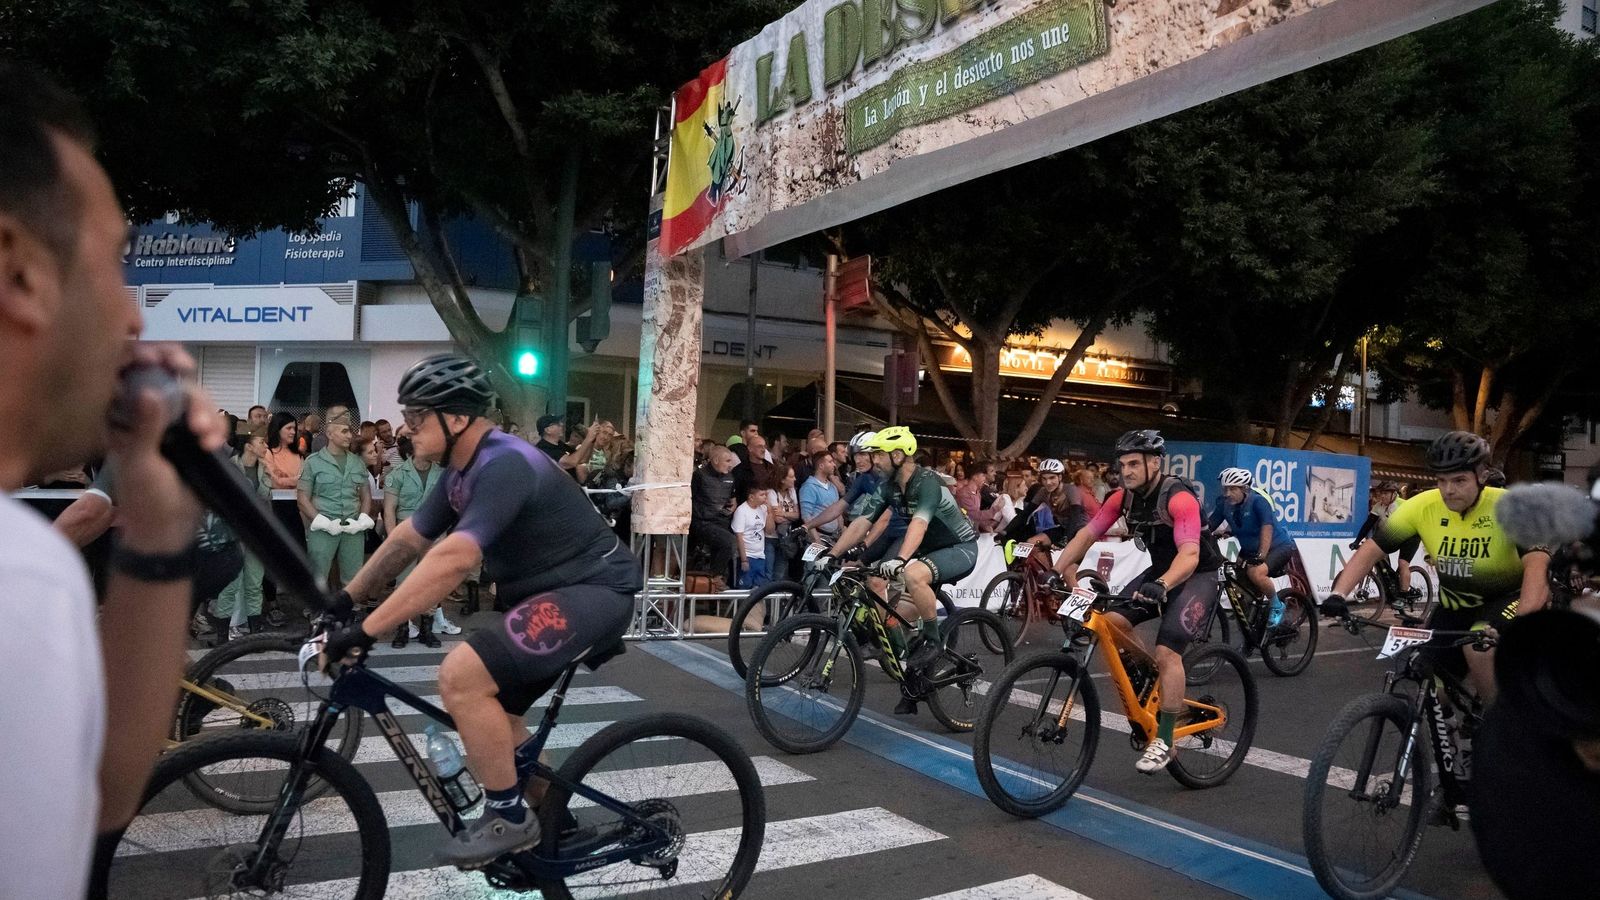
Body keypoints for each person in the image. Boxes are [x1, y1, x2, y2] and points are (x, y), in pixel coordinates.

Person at [0, 61, 229, 899]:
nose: (133, 316)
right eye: (116, 262)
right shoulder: (19, 571)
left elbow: (92, 801)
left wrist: (159, 530)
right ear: (19, 269)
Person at [319, 354, 639, 866]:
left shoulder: (504, 462)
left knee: (462, 678)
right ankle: (560, 825)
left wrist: (368, 629)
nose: (408, 428)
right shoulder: (458, 473)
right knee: (499, 718)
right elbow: (407, 539)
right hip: (545, 593)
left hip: (593, 588)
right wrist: (344, 599)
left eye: (418, 417)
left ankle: (508, 817)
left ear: (458, 418)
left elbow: (454, 558)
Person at [1320, 431, 1550, 701]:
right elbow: (1371, 550)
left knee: (1479, 647)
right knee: (1428, 679)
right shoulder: (1422, 505)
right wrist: (1338, 595)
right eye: (1441, 481)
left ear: (1483, 476)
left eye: (1459, 480)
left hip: (1506, 601)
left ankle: (1496, 727)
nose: (1448, 490)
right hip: (1453, 605)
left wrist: (1522, 621)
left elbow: (1538, 566)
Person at [1050, 430, 1223, 774]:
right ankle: (1151, 674)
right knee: (1111, 622)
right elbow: (1087, 534)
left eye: (1133, 464)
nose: (1125, 471)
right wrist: (1056, 570)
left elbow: (1189, 554)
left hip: (1196, 575)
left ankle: (1167, 740)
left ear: (1155, 463)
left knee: (1168, 652)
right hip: (1159, 572)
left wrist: (1162, 584)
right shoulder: (1123, 498)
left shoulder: (1178, 498)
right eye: (1122, 464)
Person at [813, 427, 979, 715]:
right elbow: (862, 521)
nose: (874, 461)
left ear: (899, 455)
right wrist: (833, 553)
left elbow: (920, 524)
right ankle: (915, 681)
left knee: (913, 574)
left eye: (878, 454)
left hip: (960, 548)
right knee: (891, 619)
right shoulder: (888, 486)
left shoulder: (927, 482)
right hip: (929, 552)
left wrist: (901, 558)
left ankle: (933, 640)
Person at [1208, 467, 1298, 629]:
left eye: (1232, 489)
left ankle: (1276, 605)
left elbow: (1266, 527)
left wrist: (1261, 555)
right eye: (1225, 489)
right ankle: (1253, 631)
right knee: (1240, 589)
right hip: (1249, 549)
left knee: (1256, 572)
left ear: (1245, 489)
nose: (1227, 493)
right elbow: (1209, 526)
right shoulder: (1224, 504)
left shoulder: (1258, 502)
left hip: (1278, 547)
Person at [383, 435, 450, 648]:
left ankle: (426, 630)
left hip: (434, 533)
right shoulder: (398, 474)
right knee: (404, 582)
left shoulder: (442, 474)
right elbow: (389, 509)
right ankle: (402, 627)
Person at [297, 407, 373, 593]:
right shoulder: (313, 462)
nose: (350, 436)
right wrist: (320, 520)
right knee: (318, 576)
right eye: (344, 431)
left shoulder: (357, 462)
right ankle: (316, 613)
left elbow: (366, 495)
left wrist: (362, 518)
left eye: (350, 431)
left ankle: (348, 612)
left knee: (353, 578)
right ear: (330, 433)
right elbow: (302, 498)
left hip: (352, 527)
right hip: (323, 527)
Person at [213, 428, 272, 640]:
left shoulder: (264, 469)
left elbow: (268, 503)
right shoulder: (229, 468)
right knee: (230, 585)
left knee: (254, 583)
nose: (266, 446)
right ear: (248, 445)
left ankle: (254, 633)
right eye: (261, 442)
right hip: (233, 533)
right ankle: (222, 635)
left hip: (257, 533)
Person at [690, 446, 739, 592]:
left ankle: (713, 582)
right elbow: (689, 498)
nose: (731, 464)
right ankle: (715, 577)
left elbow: (732, 499)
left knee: (725, 546)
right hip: (701, 522)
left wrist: (732, 506)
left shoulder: (730, 477)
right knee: (729, 542)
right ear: (716, 460)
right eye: (727, 460)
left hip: (720, 521)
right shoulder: (699, 475)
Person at [1367, 480, 1421, 602]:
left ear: (1393, 494)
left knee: (1403, 564)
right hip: (1393, 535)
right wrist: (1357, 540)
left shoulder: (1402, 504)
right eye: (1381, 494)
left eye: (1385, 494)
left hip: (1411, 536)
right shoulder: (1378, 506)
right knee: (1380, 559)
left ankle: (1404, 595)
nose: (1382, 496)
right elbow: (1368, 524)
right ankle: (1389, 591)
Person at [765, 464, 801, 580]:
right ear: (782, 479)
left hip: (785, 537)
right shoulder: (771, 492)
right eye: (791, 477)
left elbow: (797, 515)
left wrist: (784, 513)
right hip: (771, 536)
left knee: (781, 572)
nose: (795, 479)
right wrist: (789, 515)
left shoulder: (792, 491)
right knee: (769, 570)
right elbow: (776, 518)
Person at [799, 449, 843, 541]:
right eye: (830, 462)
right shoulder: (808, 487)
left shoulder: (833, 487)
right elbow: (806, 516)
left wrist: (841, 532)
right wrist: (817, 540)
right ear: (821, 466)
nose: (834, 465)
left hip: (834, 537)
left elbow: (838, 511)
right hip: (820, 537)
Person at [731, 487, 770, 590]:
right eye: (762, 495)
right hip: (747, 555)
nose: (765, 497)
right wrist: (744, 559)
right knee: (744, 587)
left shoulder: (763, 509)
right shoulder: (742, 510)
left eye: (765, 495)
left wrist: (770, 513)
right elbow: (739, 536)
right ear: (751, 497)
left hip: (760, 555)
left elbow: (769, 530)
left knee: (759, 589)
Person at [262, 410, 303, 489]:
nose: (293, 432)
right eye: (289, 428)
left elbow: (306, 481)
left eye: (294, 428)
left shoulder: (298, 454)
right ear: (277, 429)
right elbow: (272, 481)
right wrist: (296, 481)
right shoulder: (267, 452)